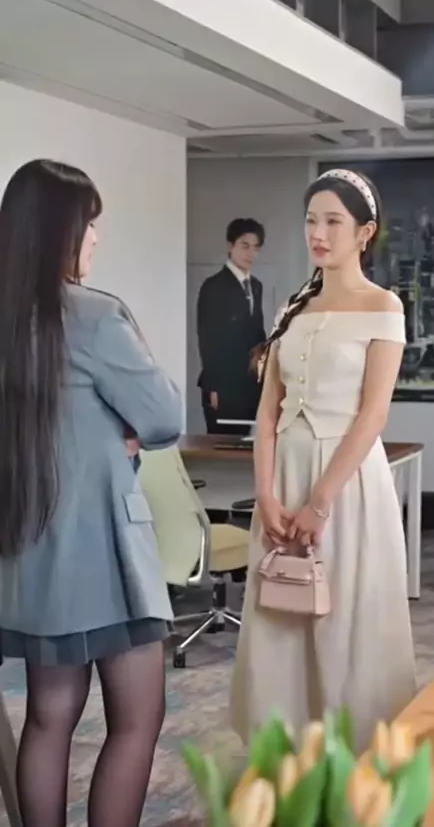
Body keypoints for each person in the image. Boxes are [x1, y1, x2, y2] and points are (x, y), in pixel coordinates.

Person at [0, 159, 182, 827]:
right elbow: (164, 416)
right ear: (60, 231)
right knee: (137, 718)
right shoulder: (95, 315)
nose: (96, 237)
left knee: (49, 717)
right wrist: (120, 426)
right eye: (90, 223)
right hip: (103, 551)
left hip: (29, 549)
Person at [230, 169, 416, 754]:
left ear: (364, 232)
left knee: (346, 624)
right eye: (312, 220)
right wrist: (266, 494)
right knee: (281, 617)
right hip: (284, 478)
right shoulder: (294, 307)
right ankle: (285, 758)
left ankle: (358, 762)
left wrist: (320, 501)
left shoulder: (383, 306)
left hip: (346, 483)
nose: (319, 233)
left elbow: (373, 416)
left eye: (334, 221)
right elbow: (267, 413)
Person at [197, 217, 266, 435]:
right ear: (230, 246)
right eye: (245, 246)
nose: (250, 253)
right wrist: (213, 386)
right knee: (224, 444)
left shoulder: (256, 286)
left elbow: (257, 332)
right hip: (223, 385)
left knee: (250, 444)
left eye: (255, 247)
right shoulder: (214, 286)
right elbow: (207, 339)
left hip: (251, 384)